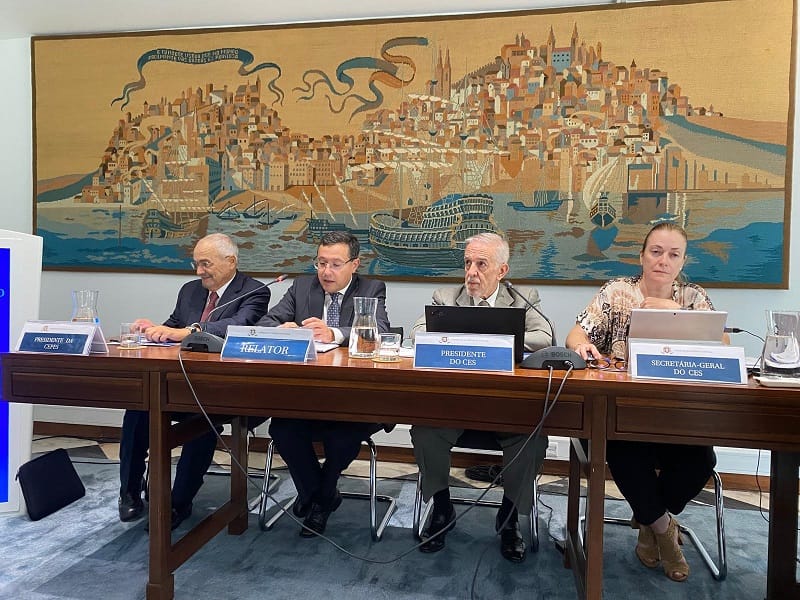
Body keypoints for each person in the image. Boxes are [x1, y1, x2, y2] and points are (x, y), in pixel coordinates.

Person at [565, 222, 726, 582]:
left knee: (701, 461)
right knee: (623, 452)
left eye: (673, 254)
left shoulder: (693, 297)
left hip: (679, 416)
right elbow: (577, 332)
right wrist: (581, 345)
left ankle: (648, 520)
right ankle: (664, 530)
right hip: (621, 414)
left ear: (683, 262)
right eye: (656, 252)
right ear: (641, 256)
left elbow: (723, 346)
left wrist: (675, 313)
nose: (663, 260)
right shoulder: (617, 291)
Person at [409, 232, 553, 563]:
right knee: (425, 430)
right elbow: (417, 333)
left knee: (533, 438)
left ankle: (509, 516)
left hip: (506, 406)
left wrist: (490, 337)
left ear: (502, 270)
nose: (471, 272)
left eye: (481, 264)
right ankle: (442, 508)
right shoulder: (447, 296)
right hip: (454, 404)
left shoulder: (522, 298)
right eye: (467, 263)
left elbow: (545, 337)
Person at [118, 233, 271, 529]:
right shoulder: (190, 290)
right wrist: (153, 330)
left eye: (205, 264)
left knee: (202, 423)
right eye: (196, 264)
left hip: (224, 390)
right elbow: (173, 327)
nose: (199, 271)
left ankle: (178, 503)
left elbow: (236, 326)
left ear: (231, 261)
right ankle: (129, 492)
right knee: (138, 408)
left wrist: (190, 331)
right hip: (180, 384)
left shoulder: (254, 291)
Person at [256, 231, 391, 537]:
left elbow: (380, 330)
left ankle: (317, 498)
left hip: (354, 398)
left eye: (335, 264)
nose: (326, 272)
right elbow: (266, 322)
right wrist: (283, 328)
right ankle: (321, 496)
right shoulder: (302, 287)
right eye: (321, 263)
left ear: (354, 265)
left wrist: (334, 333)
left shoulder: (371, 288)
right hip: (306, 395)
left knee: (343, 436)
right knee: (282, 429)